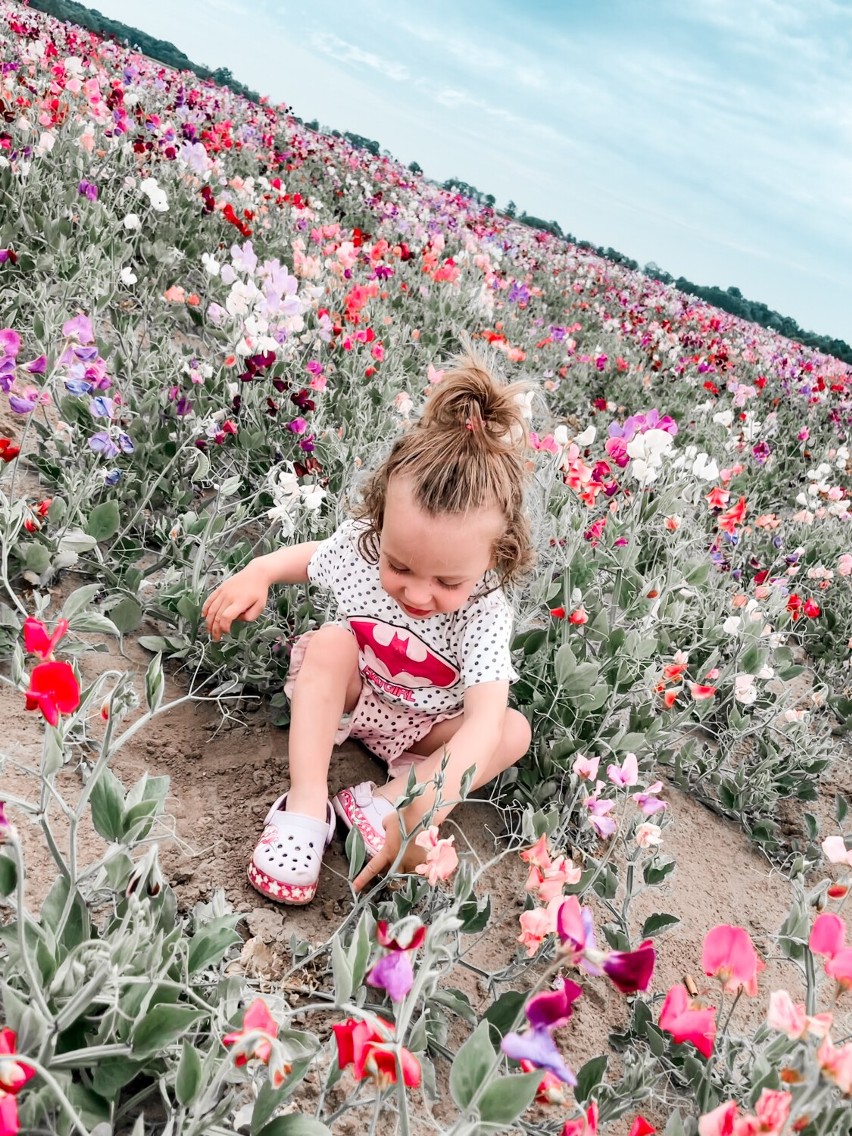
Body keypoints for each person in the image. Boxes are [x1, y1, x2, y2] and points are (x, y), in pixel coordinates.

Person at [202, 347, 535, 905]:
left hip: (429, 729)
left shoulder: (485, 610)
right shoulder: (362, 548)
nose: (418, 593)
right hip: (362, 696)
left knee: (512, 731)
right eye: (399, 566)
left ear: (495, 560)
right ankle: (307, 805)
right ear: (379, 526)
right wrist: (260, 570)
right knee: (333, 643)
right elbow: (311, 557)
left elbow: (481, 722)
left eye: (448, 582)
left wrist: (424, 808)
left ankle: (383, 802)